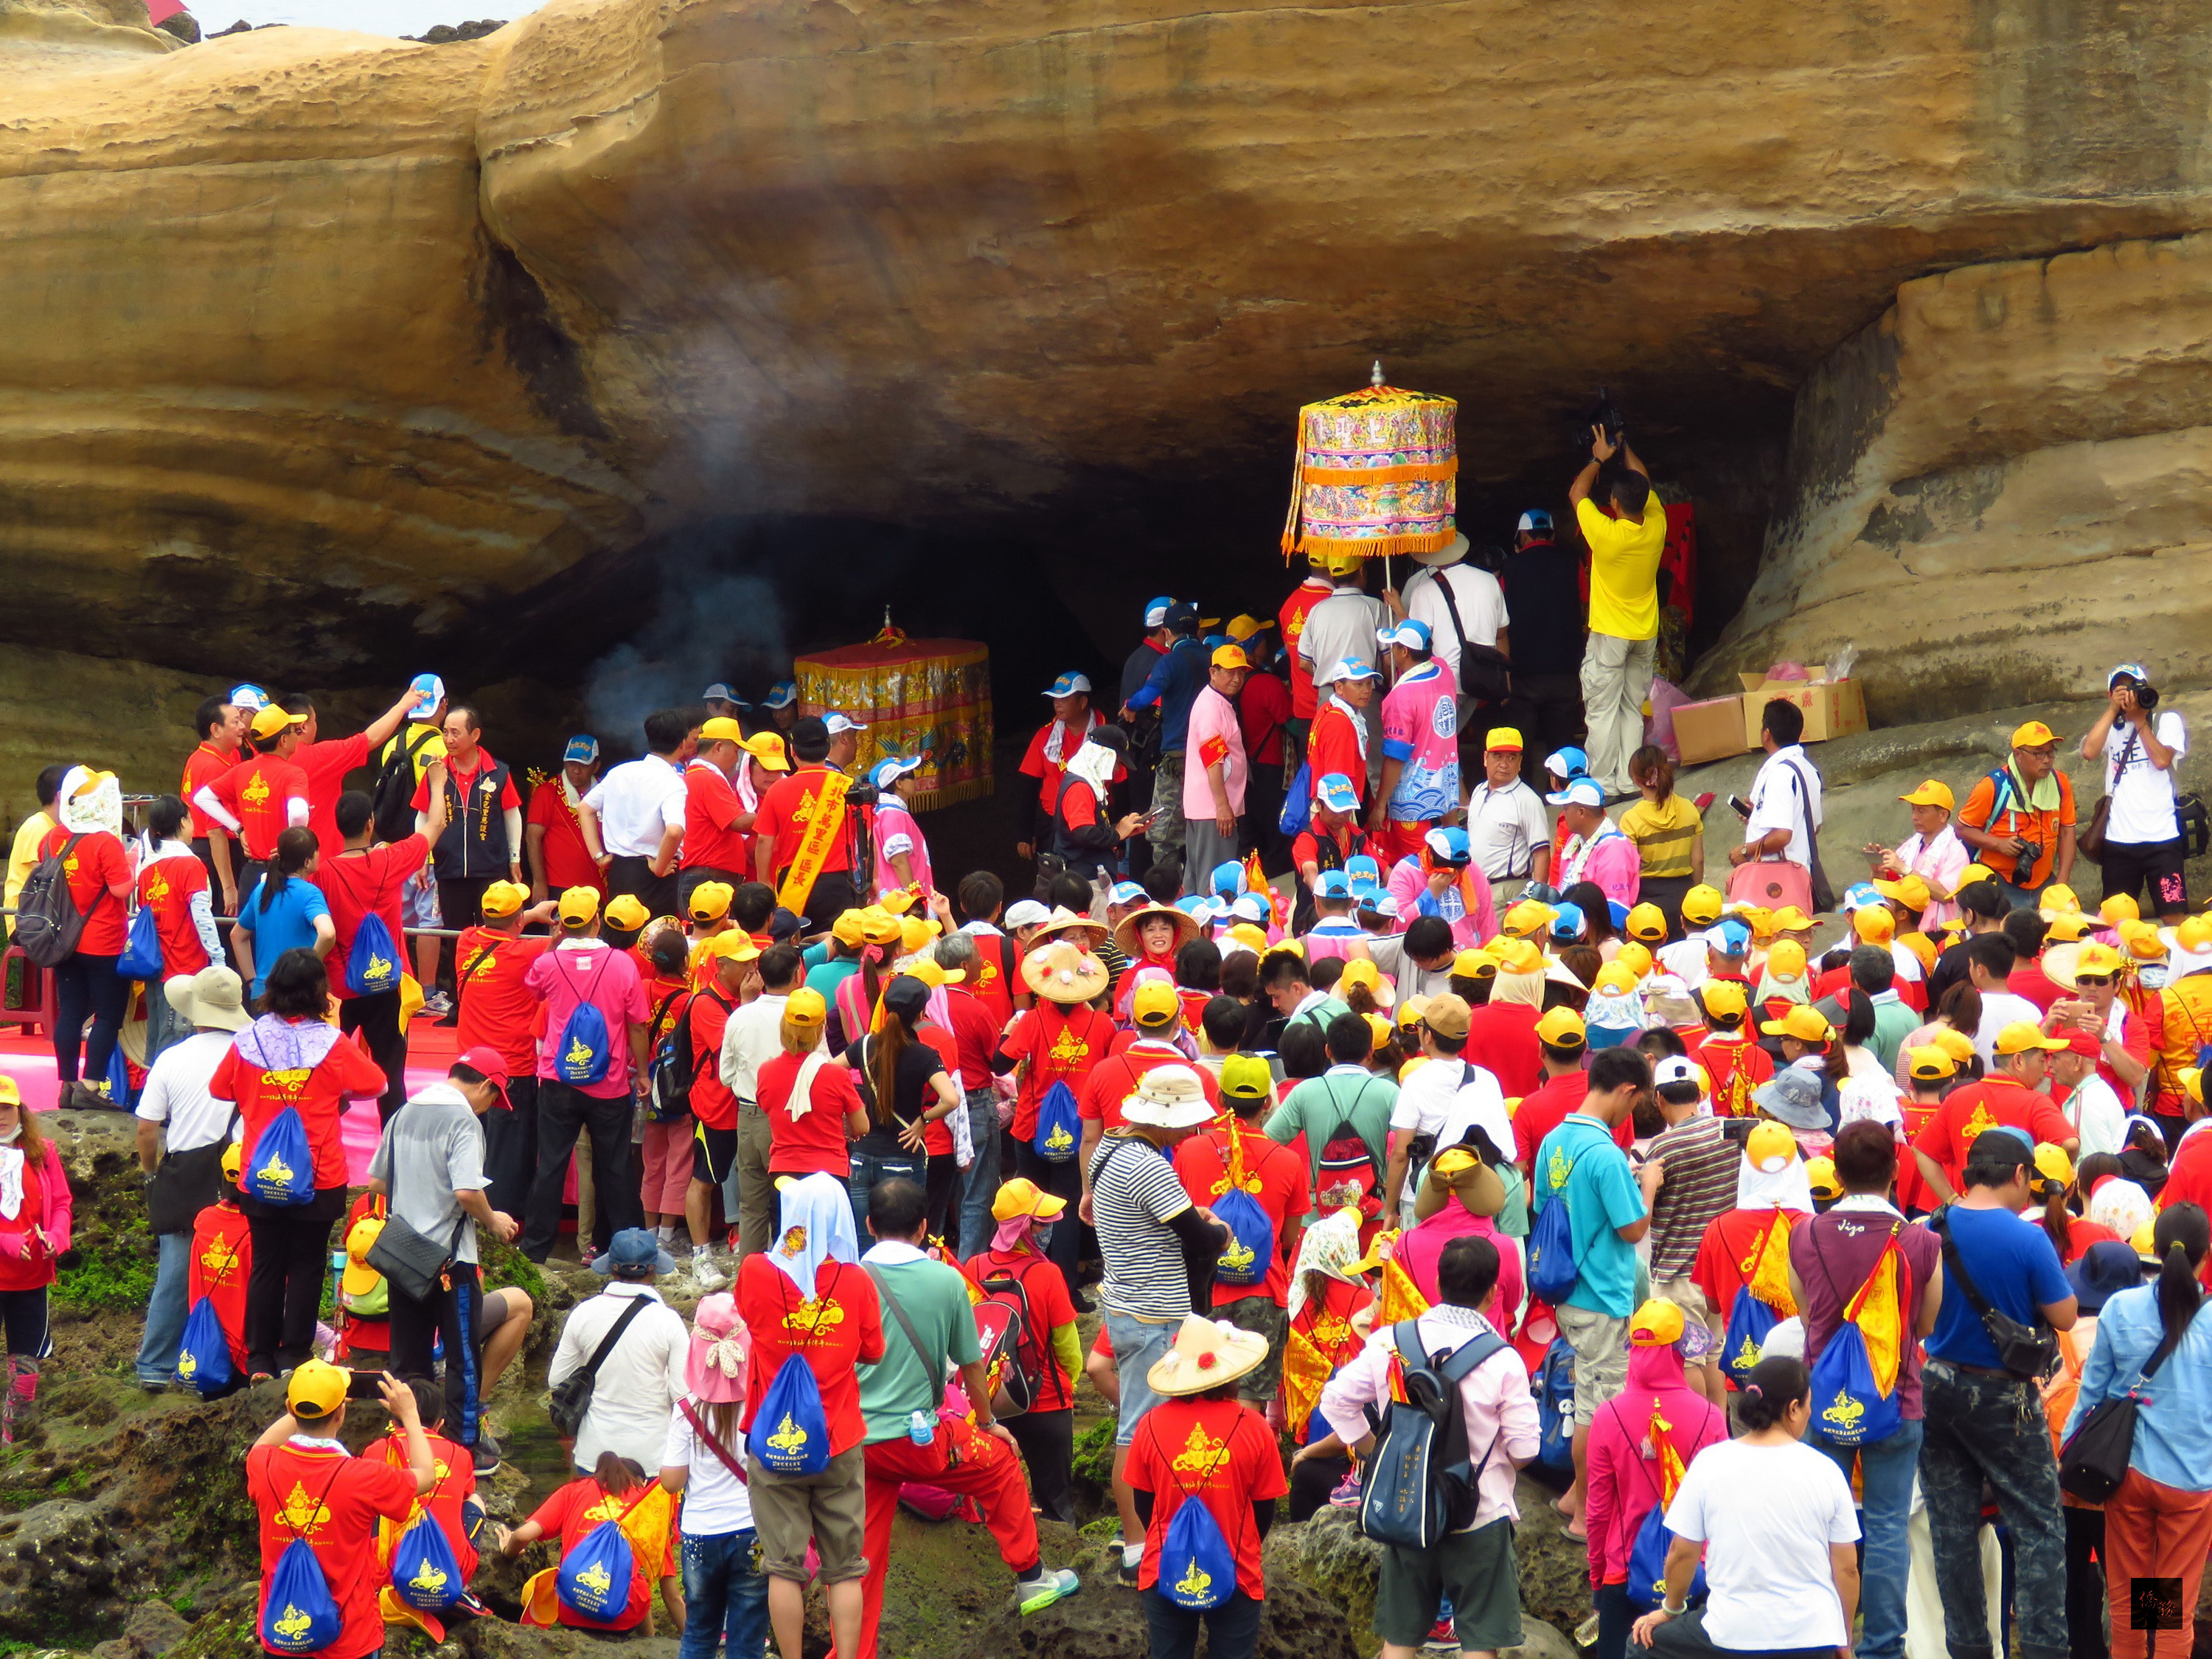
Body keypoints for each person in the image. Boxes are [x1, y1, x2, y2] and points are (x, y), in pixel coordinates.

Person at [854, 1178, 1079, 1652]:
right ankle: (1032, 1576)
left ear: (869, 1225)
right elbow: (973, 1364)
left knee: (863, 1560)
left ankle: (854, 1649)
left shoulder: (845, 1280)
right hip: (918, 1440)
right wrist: (988, 1421)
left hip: (855, 1445)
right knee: (999, 1462)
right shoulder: (945, 1280)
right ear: (923, 1228)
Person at [1318, 1235, 1537, 1659]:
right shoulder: (1504, 1359)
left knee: (1399, 1641)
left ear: (1438, 1283)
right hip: (1481, 1513)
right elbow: (1525, 1448)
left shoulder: (1389, 1342)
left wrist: (1373, 1451)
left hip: (1406, 1508)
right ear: (1494, 1292)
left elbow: (1336, 1399)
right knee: (1480, 1643)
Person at [1784, 1120, 1945, 1659]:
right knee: (1887, 1525)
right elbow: (1924, 1328)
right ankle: (1882, 1646)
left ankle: (1823, 1638)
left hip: (1824, 1400)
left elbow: (1808, 1317)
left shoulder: (1804, 1233)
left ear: (1836, 1171)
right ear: (1895, 1172)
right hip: (1897, 1401)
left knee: (1819, 1526)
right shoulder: (1921, 1240)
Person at [1921, 1128, 2080, 1659]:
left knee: (1953, 1530)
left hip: (1939, 1383)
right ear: (2018, 1175)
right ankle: (2043, 1648)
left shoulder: (1932, 1226)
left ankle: (1967, 1646)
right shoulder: (2027, 1238)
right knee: (2038, 1526)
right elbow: (2064, 1315)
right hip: (2002, 1396)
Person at [212, 948, 386, 1377]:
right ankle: (294, 1355)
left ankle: (259, 1358)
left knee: (267, 1264)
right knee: (306, 1265)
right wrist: (334, 1094)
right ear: (319, 992)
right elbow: (378, 1085)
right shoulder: (333, 1044)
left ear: (272, 989)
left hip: (260, 1173)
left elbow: (220, 1090)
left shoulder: (248, 1040)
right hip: (320, 1174)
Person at [1091, 1065, 1230, 1585]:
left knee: (1144, 1427)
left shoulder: (1108, 1150)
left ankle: (1147, 1531)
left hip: (1123, 1303)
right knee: (1139, 1431)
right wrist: (1218, 1229)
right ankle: (1135, 1546)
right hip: (1154, 1314)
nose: (1191, 1133)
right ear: (1169, 1121)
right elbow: (1198, 1238)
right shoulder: (1150, 1167)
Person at [736, 1174, 884, 1659]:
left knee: (783, 1566)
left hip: (774, 1439)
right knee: (845, 1567)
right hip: (837, 1437)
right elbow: (874, 1351)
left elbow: (746, 1318)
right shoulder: (856, 1278)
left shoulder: (757, 1271)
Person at [1630, 1354, 1862, 1659]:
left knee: (1640, 1645)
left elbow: (1681, 1553)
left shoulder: (1710, 1463)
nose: (1809, 1412)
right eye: (1808, 1404)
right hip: (1812, 1637)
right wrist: (1842, 1641)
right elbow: (1846, 1569)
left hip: (1731, 1633)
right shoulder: (1827, 1470)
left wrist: (1671, 1609)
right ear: (1793, 1409)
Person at [2065, 1201, 2212, 1659]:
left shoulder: (2121, 1308)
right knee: (2172, 1610)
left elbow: (2092, 1396)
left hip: (2127, 1475)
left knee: (2129, 1603)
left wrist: (2066, 1453)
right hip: (2190, 1485)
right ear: (2207, 1255)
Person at [365, 1050, 518, 1472]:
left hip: (403, 1255)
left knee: (407, 1357)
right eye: (494, 1099)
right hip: (451, 1259)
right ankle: (464, 1447)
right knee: (462, 1355)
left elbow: (377, 1180)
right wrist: (493, 1220)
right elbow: (467, 1192)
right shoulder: (464, 1121)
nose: (490, 1108)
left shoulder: (403, 1112)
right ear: (486, 1086)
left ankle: (405, 1439)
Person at [1531, 1045, 1653, 1540]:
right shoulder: (1605, 1154)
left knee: (1587, 1391)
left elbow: (1544, 1205)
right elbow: (1632, 1229)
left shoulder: (1555, 1139)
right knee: (1598, 1409)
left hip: (1565, 1291)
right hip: (1601, 1294)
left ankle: (1570, 1496)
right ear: (1626, 1091)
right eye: (1636, 1100)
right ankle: (1587, 1513)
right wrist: (1647, 1187)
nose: (1634, 1111)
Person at [1125, 1312, 1292, 1659]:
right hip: (1238, 1567)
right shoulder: (1255, 1428)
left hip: (1164, 1566)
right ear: (1229, 1373)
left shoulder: (1149, 1425)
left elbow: (1143, 1504)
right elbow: (1264, 1511)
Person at [246, 1365, 434, 1659]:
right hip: (350, 1636)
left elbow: (262, 1445)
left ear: (289, 1409)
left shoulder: (263, 1465)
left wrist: (309, 1400)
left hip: (283, 1632)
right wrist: (410, 1415)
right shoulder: (364, 1476)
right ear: (340, 1414)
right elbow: (425, 1475)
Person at [1583, 1300, 1728, 1659]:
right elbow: (1723, 1505)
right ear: (1679, 1350)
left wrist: (1597, 1578)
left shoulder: (1606, 1416)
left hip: (1623, 1571)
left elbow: (1598, 1508)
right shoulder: (1710, 1416)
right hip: (1695, 1574)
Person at [518, 887, 651, 1261]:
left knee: (552, 1165)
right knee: (615, 1167)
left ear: (562, 925)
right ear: (597, 921)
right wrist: (641, 1073)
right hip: (607, 1082)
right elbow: (638, 1025)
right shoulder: (623, 964)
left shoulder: (549, 964)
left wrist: (552, 945)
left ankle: (535, 1250)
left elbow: (533, 989)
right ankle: (625, 1249)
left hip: (558, 1080)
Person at [133, 965, 249, 1391]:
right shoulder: (255, 1053)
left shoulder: (172, 1057)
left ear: (194, 1011)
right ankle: (241, 1365)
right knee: (245, 1274)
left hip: (185, 1177)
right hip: (242, 1177)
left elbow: (147, 1128)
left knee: (176, 1277)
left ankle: (157, 1367)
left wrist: (152, 1174)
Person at [1172, 1054, 1310, 1408]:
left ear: (1219, 1098)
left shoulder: (1189, 1151)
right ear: (1267, 1103)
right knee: (1249, 1398)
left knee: (1195, 1389)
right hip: (1262, 1289)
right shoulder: (1289, 1160)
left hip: (1201, 1289)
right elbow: (1289, 1238)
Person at [321, 777, 449, 1124]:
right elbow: (435, 824)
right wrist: (438, 783)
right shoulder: (390, 860)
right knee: (391, 1074)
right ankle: (393, 1160)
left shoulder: (322, 872)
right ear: (370, 824)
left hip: (339, 988)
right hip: (387, 984)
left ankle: (323, 1145)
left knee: (325, 1070)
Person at [995, 940, 1116, 1286]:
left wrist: (1008, 1032)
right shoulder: (1103, 1025)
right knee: (1068, 1207)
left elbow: (1000, 1063)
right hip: (1082, 1132)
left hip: (1032, 1126)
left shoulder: (1031, 1021)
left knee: (1031, 1207)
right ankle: (1066, 1287)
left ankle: (1028, 1278)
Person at [964, 1178, 1082, 1522]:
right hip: (1047, 1403)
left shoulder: (971, 1268)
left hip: (989, 1403)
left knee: (996, 1501)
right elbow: (1069, 1347)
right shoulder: (1047, 1274)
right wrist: (1067, 1383)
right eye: (1042, 1222)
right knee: (1056, 1505)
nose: (1049, 1228)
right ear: (1023, 1227)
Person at [658, 1294, 768, 1659]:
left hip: (700, 1534)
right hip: (752, 1531)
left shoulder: (685, 1411)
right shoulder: (761, 1406)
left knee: (699, 1634)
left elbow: (671, 1482)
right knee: (748, 1638)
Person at [1568, 428, 1667, 798]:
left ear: (1613, 503)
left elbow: (1577, 493)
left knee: (1602, 710)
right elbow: (1643, 480)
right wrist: (1625, 448)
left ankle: (1603, 784)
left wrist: (1598, 458)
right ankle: (1630, 780)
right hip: (1644, 634)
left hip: (1611, 634)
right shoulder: (1656, 525)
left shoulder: (1608, 536)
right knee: (1630, 708)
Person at [546, 1226, 689, 1475]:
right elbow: (682, 1393)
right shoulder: (669, 1321)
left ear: (612, 1267)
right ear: (653, 1269)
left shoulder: (583, 1313)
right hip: (652, 1457)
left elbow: (557, 1380)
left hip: (594, 1456)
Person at [1638, 1055, 1740, 1398]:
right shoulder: (1727, 1132)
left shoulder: (1663, 1146)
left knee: (1689, 1357)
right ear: (1699, 1094)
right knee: (1713, 1351)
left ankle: (1696, 1429)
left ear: (1660, 1099)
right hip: (1719, 1266)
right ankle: (1716, 1427)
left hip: (1679, 1270)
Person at [35, 767, 136, 1107]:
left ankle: (66, 1084)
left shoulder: (51, 838)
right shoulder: (106, 842)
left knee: (71, 1012)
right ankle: (90, 1088)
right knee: (108, 1015)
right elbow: (121, 890)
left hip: (63, 942)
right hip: (104, 943)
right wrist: (132, 863)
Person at [498, 1451, 680, 1635]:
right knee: (631, 1579)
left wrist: (507, 1551)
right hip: (624, 1614)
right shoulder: (649, 1509)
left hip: (573, 1605)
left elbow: (522, 1535)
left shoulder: (573, 1490)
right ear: (643, 1483)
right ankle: (648, 1641)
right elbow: (672, 1595)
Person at [845, 973, 961, 1239]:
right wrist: (924, 1120)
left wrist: (851, 1111)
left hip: (862, 1156)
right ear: (922, 1013)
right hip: (904, 1156)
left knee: (864, 1241)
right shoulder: (924, 1055)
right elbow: (951, 1099)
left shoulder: (865, 1046)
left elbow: (828, 1071)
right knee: (905, 1243)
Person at [1911, 1021, 2077, 1203]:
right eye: (2042, 1059)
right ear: (2019, 1061)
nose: (2046, 1069)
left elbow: (1922, 1152)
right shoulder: (2036, 1103)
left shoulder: (1958, 1097)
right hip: (2018, 1218)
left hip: (1970, 1213)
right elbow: (2070, 1144)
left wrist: (1952, 1200)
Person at [2081, 665, 2188, 920]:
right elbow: (2089, 752)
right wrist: (2112, 711)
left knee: (2174, 917)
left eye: (2134, 686)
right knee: (2116, 921)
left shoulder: (2166, 719)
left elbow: (2162, 760)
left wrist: (2140, 720)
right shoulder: (2111, 726)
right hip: (2120, 841)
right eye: (2122, 690)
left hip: (2163, 839)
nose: (2129, 694)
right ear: (2110, 695)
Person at [131, 794, 226, 1066]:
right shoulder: (192, 865)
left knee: (156, 1035)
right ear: (183, 822)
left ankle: (150, 1102)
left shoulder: (147, 870)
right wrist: (218, 957)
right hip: (185, 966)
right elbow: (202, 917)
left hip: (155, 965)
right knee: (177, 1042)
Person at [1123, 601, 1214, 870]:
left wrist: (1130, 706)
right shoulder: (1212, 658)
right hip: (1212, 758)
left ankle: (1167, 893)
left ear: (1166, 632)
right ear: (1198, 629)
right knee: (1203, 828)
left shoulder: (1169, 661)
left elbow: (1147, 697)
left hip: (1179, 758)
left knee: (1162, 835)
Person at [0, 1078, 67, 1439]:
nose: (0, 1116)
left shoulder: (43, 1151)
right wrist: (8, 1244)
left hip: (31, 1276)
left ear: (20, 1110)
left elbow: (61, 1204)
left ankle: (12, 1438)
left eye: (6, 1108)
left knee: (26, 1363)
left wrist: (57, 1237)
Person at [752, 715, 863, 930]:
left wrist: (763, 881)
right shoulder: (849, 787)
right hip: (838, 884)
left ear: (792, 751)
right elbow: (865, 835)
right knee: (837, 943)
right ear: (828, 747)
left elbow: (764, 841)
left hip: (794, 882)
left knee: (792, 947)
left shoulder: (777, 790)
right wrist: (871, 878)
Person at [581, 708, 693, 921]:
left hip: (619, 870)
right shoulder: (673, 782)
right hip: (655, 875)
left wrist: (598, 857)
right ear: (682, 744)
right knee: (652, 943)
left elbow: (585, 808)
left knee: (620, 935)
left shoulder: (620, 772)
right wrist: (659, 867)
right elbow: (674, 830)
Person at [192, 705, 313, 902]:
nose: (297, 737)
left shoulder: (242, 770)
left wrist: (238, 829)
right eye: (294, 732)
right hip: (282, 872)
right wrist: (290, 844)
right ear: (283, 740)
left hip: (251, 873)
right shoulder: (293, 774)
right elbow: (298, 813)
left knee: (248, 929)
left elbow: (202, 798)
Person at [1956, 720, 2078, 908]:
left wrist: (2060, 885)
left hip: (2046, 882)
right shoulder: (1992, 786)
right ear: (2018, 755)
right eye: (2038, 753)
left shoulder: (2060, 782)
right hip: (2001, 882)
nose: (2046, 759)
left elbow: (2067, 832)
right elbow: (1963, 828)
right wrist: (1999, 844)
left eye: (2050, 752)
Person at [1368, 619, 1461, 865]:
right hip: (1447, 783)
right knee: (1455, 856)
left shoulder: (1401, 697)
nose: (1392, 651)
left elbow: (1396, 757)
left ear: (1404, 652)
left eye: (1394, 646)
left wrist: (1380, 805)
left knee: (1424, 867)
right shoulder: (1444, 671)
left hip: (1413, 797)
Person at [1178, 644, 1250, 895]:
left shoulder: (1217, 702)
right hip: (1212, 809)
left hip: (1206, 808)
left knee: (1199, 876)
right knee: (1214, 881)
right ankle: (1206, 933)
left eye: (1241, 672)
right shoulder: (1210, 707)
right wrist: (1222, 805)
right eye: (1230, 672)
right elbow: (1213, 759)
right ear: (1213, 672)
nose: (1237, 678)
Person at [1729, 700, 1825, 888]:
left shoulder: (1780, 773)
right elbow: (1812, 826)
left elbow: (1782, 836)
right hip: (1800, 871)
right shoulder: (1808, 769)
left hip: (1775, 879)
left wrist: (1745, 850)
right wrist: (1759, 817)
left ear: (1767, 734)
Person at [1016, 672, 1109, 863]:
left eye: (1064, 699)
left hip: (1093, 826)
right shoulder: (1045, 736)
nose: (1057, 704)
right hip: (1051, 824)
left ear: (1083, 702)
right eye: (1055, 699)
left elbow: (1121, 786)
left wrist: (1118, 839)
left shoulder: (1106, 735)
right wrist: (1025, 834)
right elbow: (1027, 786)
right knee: (1051, 882)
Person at [1621, 746, 1702, 934]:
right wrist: (1694, 894)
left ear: (1636, 780)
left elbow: (1629, 870)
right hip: (1684, 895)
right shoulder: (1689, 808)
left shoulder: (1631, 819)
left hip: (1646, 902)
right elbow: (1698, 860)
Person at [1467, 728, 1553, 894]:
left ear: (1520, 762)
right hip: (1475, 886)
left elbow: (1541, 852)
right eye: (1498, 756)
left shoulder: (1528, 800)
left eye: (1511, 758)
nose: (1504, 764)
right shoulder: (1479, 790)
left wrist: (1537, 898)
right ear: (1486, 758)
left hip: (1508, 888)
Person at [526, 734, 608, 904]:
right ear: (564, 763)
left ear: (596, 766)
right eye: (572, 764)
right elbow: (532, 837)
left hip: (599, 886)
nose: (576, 770)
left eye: (583, 765)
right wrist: (539, 882)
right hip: (558, 886)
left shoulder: (607, 791)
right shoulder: (548, 792)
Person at [180, 699, 246, 900]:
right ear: (216, 730)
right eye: (235, 722)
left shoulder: (209, 756)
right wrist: (229, 887)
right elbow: (216, 831)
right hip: (216, 852)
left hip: (206, 847)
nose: (242, 726)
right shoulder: (212, 766)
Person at [1551, 779, 1643, 914]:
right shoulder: (1575, 840)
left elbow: (1615, 910)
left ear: (1582, 812)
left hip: (1596, 931)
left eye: (1566, 809)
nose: (1563, 814)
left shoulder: (1613, 850)